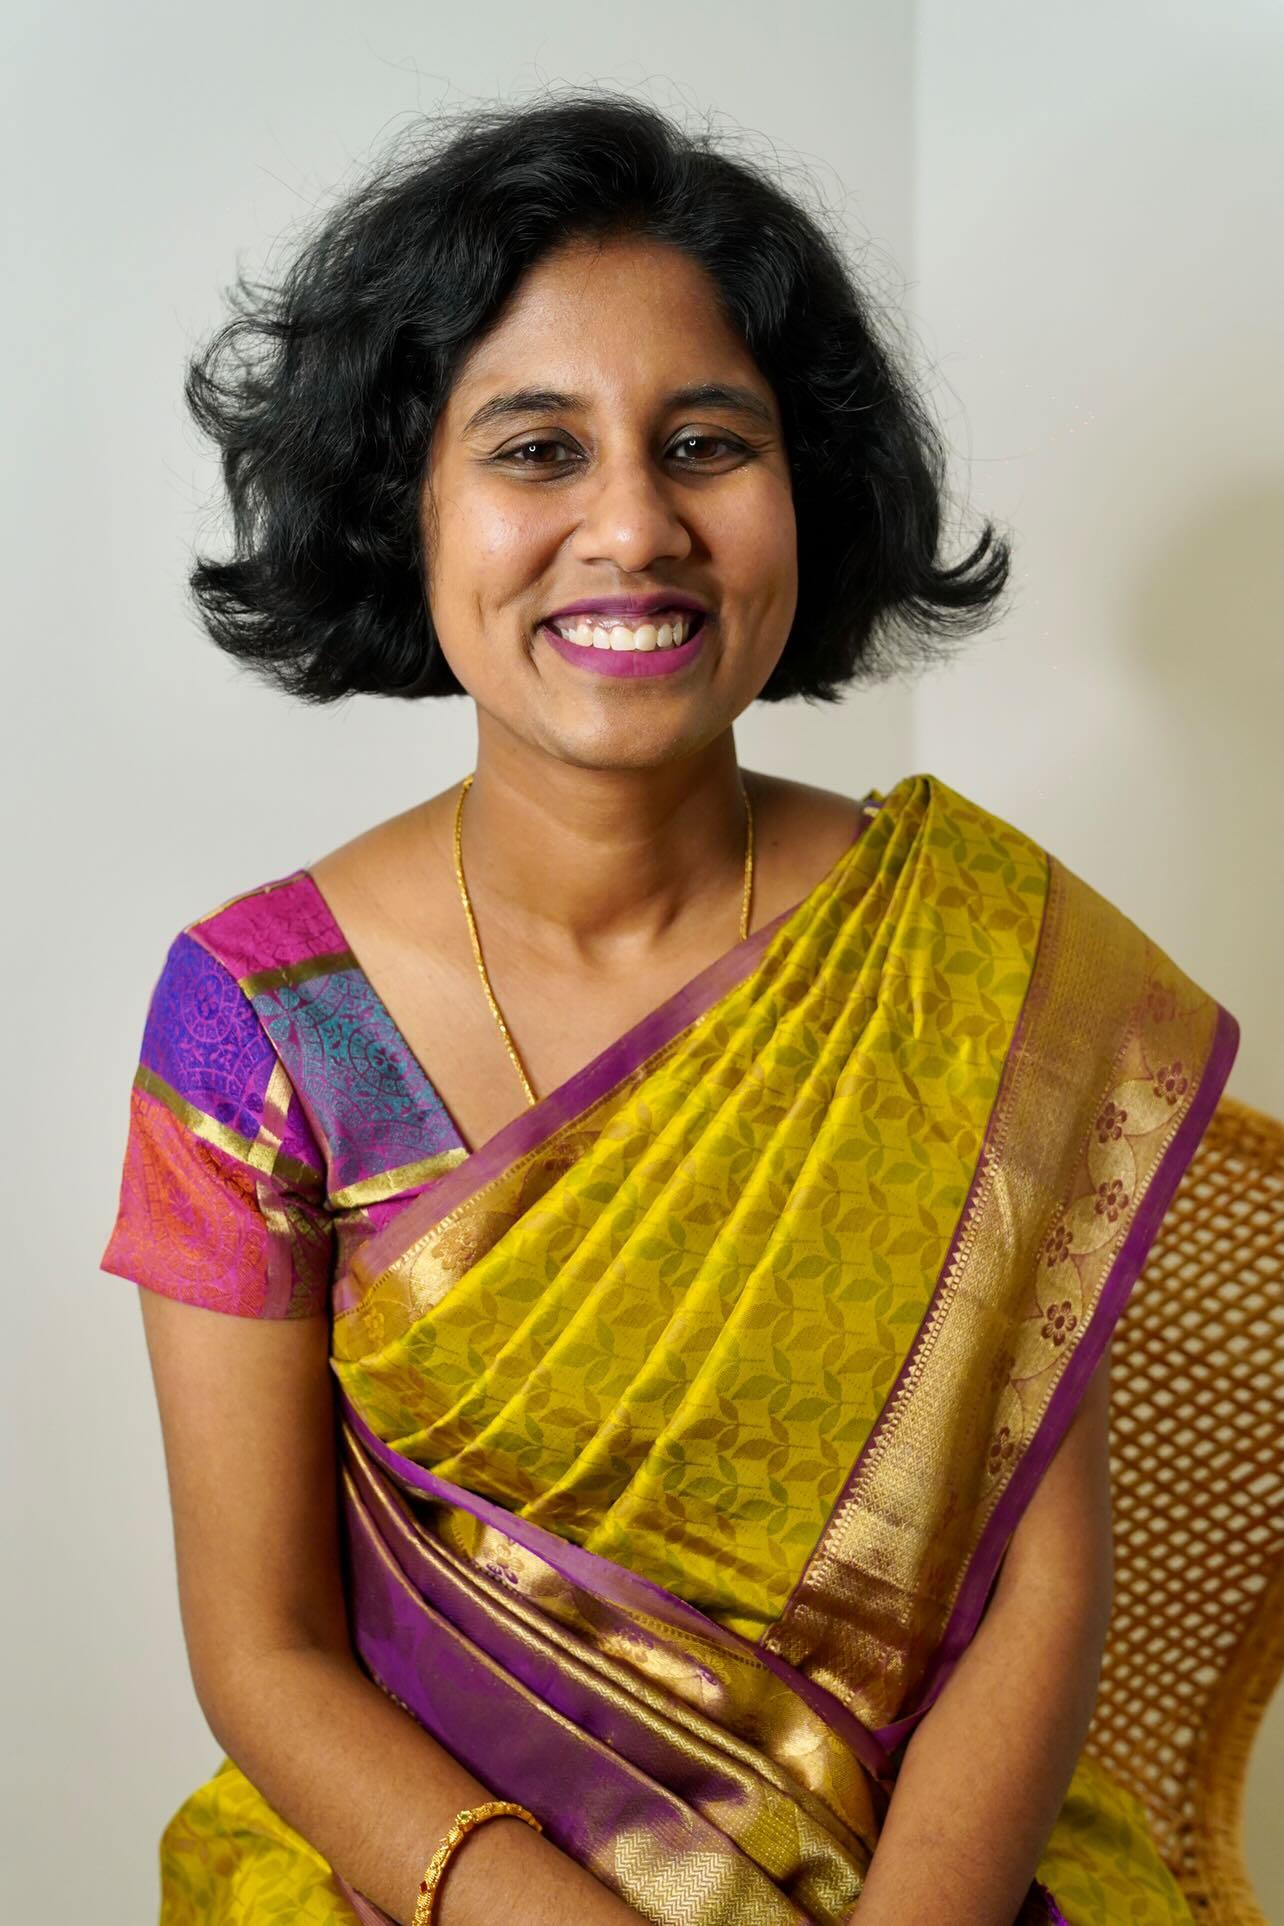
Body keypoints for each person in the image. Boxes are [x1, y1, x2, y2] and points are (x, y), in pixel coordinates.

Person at [101, 91, 1238, 1926]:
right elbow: (265, 1645)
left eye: (706, 441)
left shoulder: (974, 959)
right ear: (410, 501)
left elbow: (1039, 1583)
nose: (632, 525)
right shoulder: (257, 1018)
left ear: (810, 489)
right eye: (535, 449)